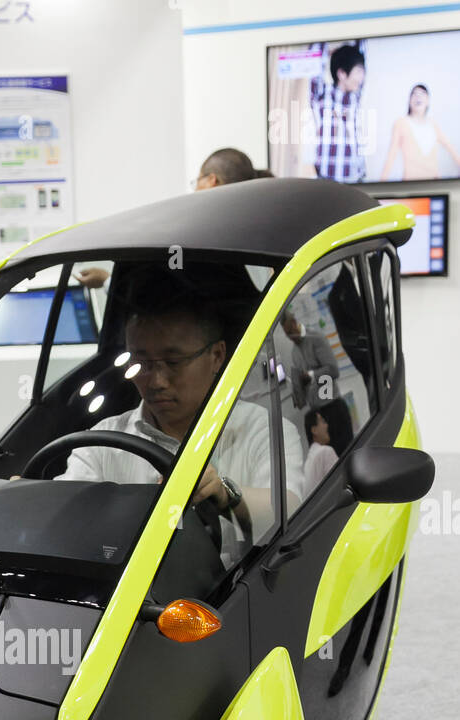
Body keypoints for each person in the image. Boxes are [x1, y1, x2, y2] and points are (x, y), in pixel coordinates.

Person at [56, 285, 303, 545]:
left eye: (173, 363)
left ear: (217, 356)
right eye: (141, 364)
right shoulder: (102, 442)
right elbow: (68, 508)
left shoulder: (265, 430)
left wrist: (223, 493)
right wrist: (31, 498)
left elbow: (288, 511)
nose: (156, 381)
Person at [75, 150, 269, 292]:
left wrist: (107, 280)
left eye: (197, 181)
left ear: (212, 180)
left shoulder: (201, 237)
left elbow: (166, 296)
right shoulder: (257, 236)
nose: (194, 190)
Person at [308, 43, 367, 182]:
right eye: (358, 71)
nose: (362, 77)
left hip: (357, 179)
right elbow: (315, 61)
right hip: (327, 181)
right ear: (341, 73)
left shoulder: (356, 96)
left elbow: (364, 45)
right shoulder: (322, 94)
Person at [380, 84, 460, 181]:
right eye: (414, 94)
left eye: (422, 93)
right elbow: (391, 156)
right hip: (411, 186)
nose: (418, 96)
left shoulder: (433, 125)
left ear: (428, 101)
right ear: (409, 101)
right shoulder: (401, 123)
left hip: (435, 186)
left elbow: (451, 149)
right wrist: (380, 184)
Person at [279, 308, 339, 410]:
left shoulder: (315, 338)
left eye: (290, 332)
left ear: (294, 322)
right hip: (315, 409)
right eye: (287, 335)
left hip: (332, 405)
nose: (290, 337)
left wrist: (311, 376)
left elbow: (333, 370)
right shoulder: (295, 352)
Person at [303, 409, 338, 494]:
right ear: (314, 430)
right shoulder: (325, 452)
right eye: (323, 422)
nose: (326, 425)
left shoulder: (309, 461)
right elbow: (340, 484)